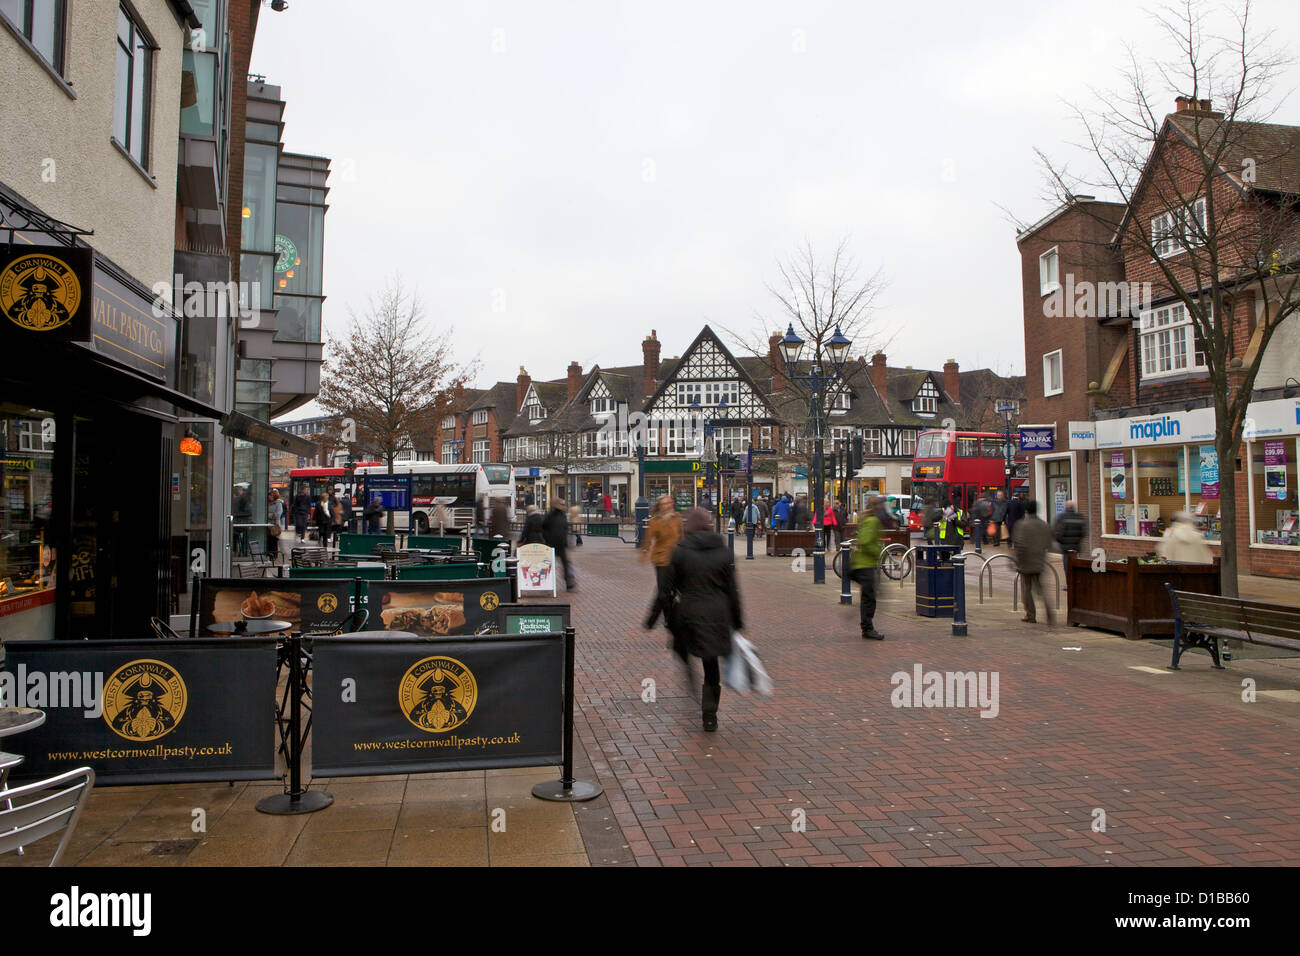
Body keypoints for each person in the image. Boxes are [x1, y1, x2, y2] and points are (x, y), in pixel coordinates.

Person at [664, 508, 742, 732]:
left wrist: (666, 617)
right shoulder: (724, 552)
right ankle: (709, 714)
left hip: (687, 612)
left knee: (683, 648)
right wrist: (737, 621)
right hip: (716, 614)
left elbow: (666, 589)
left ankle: (689, 673)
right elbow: (732, 591)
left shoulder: (679, 551)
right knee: (711, 665)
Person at [641, 496, 682, 628]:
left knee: (671, 590)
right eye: (664, 504)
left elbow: (682, 537)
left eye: (669, 503)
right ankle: (656, 620)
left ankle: (666, 619)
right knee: (664, 592)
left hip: (676, 558)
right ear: (659, 506)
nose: (667, 506)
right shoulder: (655, 521)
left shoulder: (677, 518)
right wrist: (644, 551)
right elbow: (648, 539)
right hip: (661, 560)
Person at [1012, 499, 1054, 625]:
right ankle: (1049, 613)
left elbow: (1019, 545)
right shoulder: (1044, 524)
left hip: (1026, 562)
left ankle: (1030, 615)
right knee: (1041, 589)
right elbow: (1049, 543)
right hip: (1039, 561)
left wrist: (1017, 561)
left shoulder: (1022, 525)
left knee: (1026, 589)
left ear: (1026, 510)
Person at [851, 495, 887, 640]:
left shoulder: (867, 519)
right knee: (869, 598)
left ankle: (867, 626)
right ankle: (867, 628)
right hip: (865, 564)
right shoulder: (872, 521)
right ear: (877, 507)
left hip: (863, 564)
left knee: (869, 596)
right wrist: (878, 551)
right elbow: (865, 541)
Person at [1052, 500, 1087, 587]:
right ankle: (1076, 582)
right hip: (1076, 546)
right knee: (1076, 564)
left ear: (1066, 507)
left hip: (1065, 547)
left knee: (1067, 565)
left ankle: (1069, 584)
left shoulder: (1061, 517)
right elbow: (1084, 532)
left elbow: (1056, 532)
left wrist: (1060, 542)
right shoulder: (1080, 517)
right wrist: (1078, 541)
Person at [543, 498, 576, 589]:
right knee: (547, 563)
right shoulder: (550, 515)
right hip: (551, 544)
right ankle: (544, 581)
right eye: (561, 504)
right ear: (555, 504)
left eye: (563, 504)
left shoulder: (563, 515)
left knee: (565, 563)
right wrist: (548, 539)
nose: (562, 506)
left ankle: (569, 582)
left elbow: (565, 528)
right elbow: (543, 528)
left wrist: (566, 540)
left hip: (561, 544)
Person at [266, 489, 286, 563]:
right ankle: (269, 554)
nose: (269, 497)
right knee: (268, 540)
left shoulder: (278, 504)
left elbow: (277, 515)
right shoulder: (267, 503)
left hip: (274, 525)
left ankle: (274, 555)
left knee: (274, 540)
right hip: (267, 525)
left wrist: (268, 515)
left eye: (270, 496)